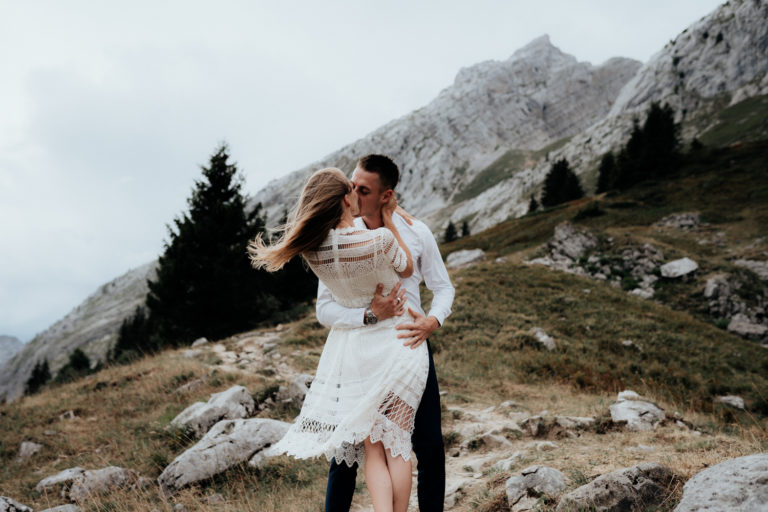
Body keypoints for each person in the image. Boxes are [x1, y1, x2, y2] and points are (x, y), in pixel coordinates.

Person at [249, 166, 428, 512]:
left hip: (356, 353)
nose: (356, 193)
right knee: (397, 445)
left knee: (373, 450)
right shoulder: (379, 239)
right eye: (351, 188)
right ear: (345, 200)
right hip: (398, 341)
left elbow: (330, 304)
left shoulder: (314, 251)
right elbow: (407, 268)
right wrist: (389, 220)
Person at [318, 154, 455, 512]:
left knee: (429, 444)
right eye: (351, 186)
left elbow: (443, 287)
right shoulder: (340, 236)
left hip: (409, 347)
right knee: (346, 451)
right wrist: (368, 315)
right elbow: (324, 309)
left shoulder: (417, 232)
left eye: (363, 190)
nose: (352, 195)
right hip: (360, 353)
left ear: (386, 195)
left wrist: (433, 321)